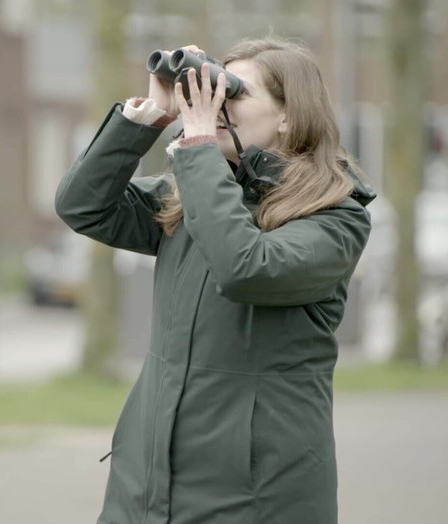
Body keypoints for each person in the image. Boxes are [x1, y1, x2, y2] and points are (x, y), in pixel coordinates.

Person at [55, 37, 376, 524]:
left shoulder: (333, 219)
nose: (215, 103)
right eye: (210, 89)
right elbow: (83, 206)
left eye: (234, 93)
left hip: (255, 499)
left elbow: (245, 267)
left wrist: (200, 146)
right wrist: (149, 117)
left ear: (289, 115)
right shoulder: (189, 198)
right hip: (144, 490)